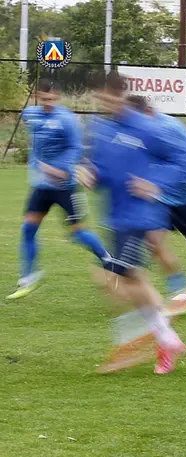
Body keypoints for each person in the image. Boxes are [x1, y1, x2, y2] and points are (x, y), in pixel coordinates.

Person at [77, 71, 186, 374]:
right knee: (128, 282)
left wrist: (155, 183)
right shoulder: (99, 128)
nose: (103, 103)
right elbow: (103, 170)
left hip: (140, 215)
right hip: (116, 217)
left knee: (115, 279)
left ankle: (151, 338)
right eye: (99, 98)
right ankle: (166, 339)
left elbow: (185, 158)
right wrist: (92, 175)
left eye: (107, 97)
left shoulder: (146, 127)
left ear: (121, 94)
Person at [124, 95, 186, 319]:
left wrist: (158, 182)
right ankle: (183, 289)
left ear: (148, 112)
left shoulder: (168, 129)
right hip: (159, 198)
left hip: (185, 197)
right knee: (153, 243)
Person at [7, 79, 109, 300]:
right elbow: (30, 127)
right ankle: (28, 277)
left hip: (66, 187)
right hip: (42, 187)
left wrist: (62, 169)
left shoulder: (67, 119)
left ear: (58, 97)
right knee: (28, 229)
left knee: (78, 234)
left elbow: (76, 148)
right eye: (44, 99)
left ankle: (108, 260)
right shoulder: (31, 114)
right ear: (37, 96)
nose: (48, 103)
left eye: (52, 99)